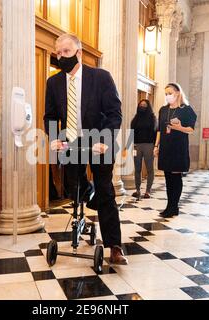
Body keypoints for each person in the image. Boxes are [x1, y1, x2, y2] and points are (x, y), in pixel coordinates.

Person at [44, 34, 128, 265]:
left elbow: (114, 113)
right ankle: (86, 191)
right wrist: (53, 138)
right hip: (70, 143)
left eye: (66, 52)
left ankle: (114, 246)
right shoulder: (53, 83)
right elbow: (50, 116)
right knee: (74, 188)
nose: (61, 56)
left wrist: (106, 139)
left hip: (98, 143)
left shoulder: (100, 77)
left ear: (78, 53)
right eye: (58, 52)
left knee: (105, 192)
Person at [154, 83, 197, 218]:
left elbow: (191, 129)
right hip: (166, 148)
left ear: (177, 93)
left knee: (176, 178)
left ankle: (174, 206)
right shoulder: (163, 110)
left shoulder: (186, 109)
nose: (167, 96)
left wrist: (179, 128)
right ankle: (169, 206)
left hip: (178, 148)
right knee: (168, 178)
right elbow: (160, 130)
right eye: (166, 94)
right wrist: (156, 146)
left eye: (170, 93)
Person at [128, 99, 157, 199]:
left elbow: (156, 132)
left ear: (148, 107)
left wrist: (156, 146)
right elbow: (131, 133)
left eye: (144, 105)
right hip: (137, 146)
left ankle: (148, 191)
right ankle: (137, 190)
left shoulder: (152, 118)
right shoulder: (135, 119)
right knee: (137, 169)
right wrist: (128, 147)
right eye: (141, 105)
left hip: (149, 145)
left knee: (149, 169)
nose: (142, 107)